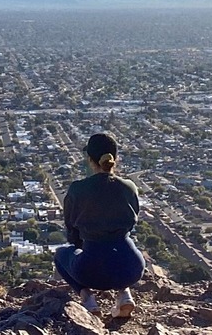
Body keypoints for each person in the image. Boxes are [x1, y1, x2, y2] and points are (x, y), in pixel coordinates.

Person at [54, 133, 145, 318]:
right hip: (132, 268)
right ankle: (124, 294)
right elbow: (131, 225)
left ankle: (88, 299)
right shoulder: (129, 187)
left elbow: (72, 233)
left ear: (90, 159)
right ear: (115, 158)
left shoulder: (77, 189)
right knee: (121, 250)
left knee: (61, 255)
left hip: (91, 270)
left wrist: (83, 247)